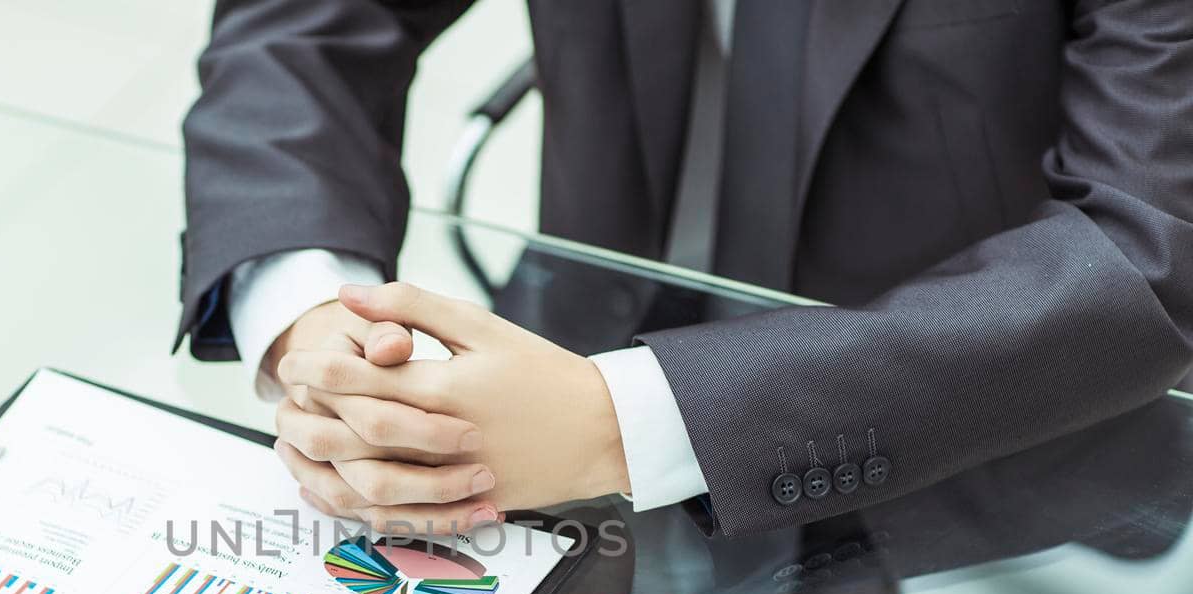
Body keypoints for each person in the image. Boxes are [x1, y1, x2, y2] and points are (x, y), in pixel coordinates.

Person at [177, 0, 1193, 538]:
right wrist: (320, 317)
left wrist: (621, 421)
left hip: (970, 443)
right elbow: (303, 23)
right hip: (557, 360)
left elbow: (1150, 252)